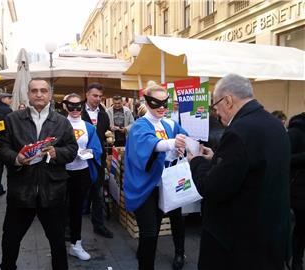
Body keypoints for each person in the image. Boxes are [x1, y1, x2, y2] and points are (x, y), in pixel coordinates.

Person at [188, 74, 291, 270]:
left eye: (216, 106)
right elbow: (251, 167)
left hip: (239, 245)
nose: (217, 114)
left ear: (228, 100)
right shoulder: (274, 124)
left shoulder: (239, 130)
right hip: (270, 237)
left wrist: (197, 160)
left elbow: (212, 187)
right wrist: (216, 157)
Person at [0, 78, 78, 270]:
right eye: (34, 91)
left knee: (58, 242)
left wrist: (56, 153)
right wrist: (16, 158)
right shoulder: (13, 119)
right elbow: (2, 147)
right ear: (28, 94)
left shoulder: (61, 121)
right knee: (10, 240)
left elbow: (72, 149)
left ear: (50, 94)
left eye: (43, 90)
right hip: (21, 191)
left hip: (53, 191)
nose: (39, 94)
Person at [124, 81, 187, 270]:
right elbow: (149, 144)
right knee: (150, 233)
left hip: (164, 185)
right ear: (146, 102)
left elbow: (184, 140)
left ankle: (150, 255)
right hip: (145, 187)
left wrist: (183, 149)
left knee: (154, 230)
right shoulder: (139, 126)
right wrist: (171, 144)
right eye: (155, 103)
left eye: (164, 103)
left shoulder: (169, 124)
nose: (161, 107)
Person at [63, 93, 102, 260]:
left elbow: (96, 149)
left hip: (81, 172)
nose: (75, 109)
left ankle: (76, 244)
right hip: (61, 173)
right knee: (58, 209)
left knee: (77, 209)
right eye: (71, 106)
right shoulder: (59, 124)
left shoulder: (89, 127)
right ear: (65, 106)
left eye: (78, 105)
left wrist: (83, 153)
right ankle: (58, 245)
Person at [81, 82, 114, 238]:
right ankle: (69, 226)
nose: (98, 99)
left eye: (100, 96)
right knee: (76, 193)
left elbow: (103, 133)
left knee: (98, 193)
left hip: (97, 159)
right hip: (79, 159)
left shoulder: (103, 114)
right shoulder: (77, 111)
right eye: (95, 95)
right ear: (86, 94)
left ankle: (99, 225)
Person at [287, 112, 305, 270]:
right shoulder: (296, 131)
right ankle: (295, 261)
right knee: (299, 228)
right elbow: (282, 157)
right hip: (298, 190)